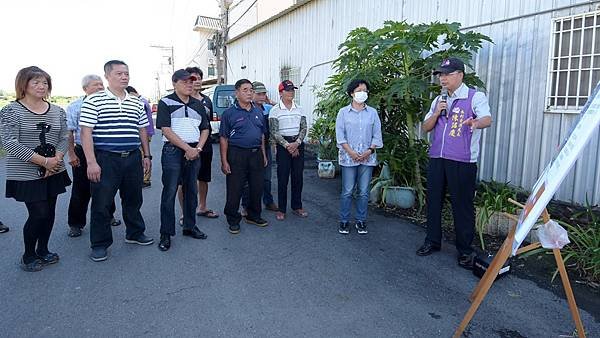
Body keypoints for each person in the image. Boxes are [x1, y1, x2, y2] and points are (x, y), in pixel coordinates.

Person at [416, 57, 492, 270]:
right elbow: (426, 126)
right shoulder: (437, 100)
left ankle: (465, 250)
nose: (442, 78)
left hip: (462, 160)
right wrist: (438, 111)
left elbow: (487, 119)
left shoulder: (474, 97)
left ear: (460, 75)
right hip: (437, 158)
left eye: (447, 74)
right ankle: (432, 241)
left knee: (462, 205)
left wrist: (475, 121)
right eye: (440, 74)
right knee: (434, 201)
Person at [80, 60, 154, 262]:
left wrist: (146, 155)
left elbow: (142, 130)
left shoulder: (136, 102)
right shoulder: (94, 101)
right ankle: (100, 244)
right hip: (106, 158)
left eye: (127, 73)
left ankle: (135, 233)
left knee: (133, 198)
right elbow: (86, 133)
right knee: (102, 202)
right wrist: (91, 162)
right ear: (107, 76)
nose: (124, 77)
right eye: (119, 73)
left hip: (132, 157)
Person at [0, 66, 71, 271]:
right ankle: (28, 255)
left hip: (54, 169)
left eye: (45, 83)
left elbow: (64, 136)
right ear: (24, 85)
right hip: (26, 173)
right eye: (36, 82)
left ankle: (43, 250)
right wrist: (43, 161)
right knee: (38, 212)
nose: (42, 86)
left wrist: (56, 159)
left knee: (49, 212)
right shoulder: (11, 111)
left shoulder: (57, 110)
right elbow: (9, 142)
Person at [155, 69, 210, 251]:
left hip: (195, 150)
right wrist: (187, 149)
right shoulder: (165, 102)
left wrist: (198, 149)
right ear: (174, 83)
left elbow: (205, 129)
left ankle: (189, 226)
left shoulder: (198, 104)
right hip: (173, 151)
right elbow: (166, 129)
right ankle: (166, 233)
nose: (189, 84)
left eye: (191, 81)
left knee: (191, 191)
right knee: (170, 192)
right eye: (185, 81)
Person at [66, 75, 122, 238]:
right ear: (85, 89)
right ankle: (76, 223)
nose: (100, 87)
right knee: (81, 189)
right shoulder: (75, 106)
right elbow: (69, 132)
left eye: (101, 84)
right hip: (82, 151)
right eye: (95, 85)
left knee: (107, 186)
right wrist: (71, 153)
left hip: (105, 151)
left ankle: (109, 216)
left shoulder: (110, 102)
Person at [220, 79, 268, 234]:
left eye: (251, 90)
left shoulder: (258, 111)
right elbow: (224, 138)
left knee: (257, 187)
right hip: (236, 154)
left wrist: (263, 154)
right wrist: (224, 160)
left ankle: (253, 215)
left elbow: (261, 135)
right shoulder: (229, 113)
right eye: (245, 90)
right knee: (235, 188)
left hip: (256, 155)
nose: (249, 93)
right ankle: (233, 219)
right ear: (237, 92)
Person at [335, 79, 383, 235]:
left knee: (363, 191)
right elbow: (340, 136)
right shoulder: (343, 112)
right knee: (347, 191)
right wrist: (351, 152)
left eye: (365, 90)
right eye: (359, 90)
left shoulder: (373, 113)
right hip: (349, 157)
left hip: (367, 157)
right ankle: (344, 220)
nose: (363, 93)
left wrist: (369, 151)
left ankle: (361, 220)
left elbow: (377, 135)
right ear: (351, 93)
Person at [178, 66, 219, 219]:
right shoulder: (181, 100)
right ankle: (185, 213)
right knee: (183, 181)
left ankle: (202, 207)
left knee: (203, 177)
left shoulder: (207, 100)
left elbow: (207, 124)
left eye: (199, 78)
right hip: (186, 146)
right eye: (192, 78)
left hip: (206, 145)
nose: (196, 81)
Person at [269, 80, 308, 221]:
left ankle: (297, 206)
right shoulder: (275, 111)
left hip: (297, 144)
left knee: (298, 177)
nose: (291, 92)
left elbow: (304, 127)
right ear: (281, 92)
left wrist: (297, 143)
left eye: (292, 90)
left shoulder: (300, 108)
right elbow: (274, 132)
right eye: (288, 90)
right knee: (283, 178)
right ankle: (282, 208)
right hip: (283, 146)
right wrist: (288, 146)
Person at [241, 81, 278, 215]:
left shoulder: (267, 109)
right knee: (247, 178)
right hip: (250, 148)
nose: (262, 96)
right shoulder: (247, 108)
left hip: (266, 147)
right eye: (259, 94)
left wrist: (270, 101)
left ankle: (268, 201)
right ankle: (246, 205)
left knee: (267, 177)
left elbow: (282, 107)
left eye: (264, 94)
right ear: (252, 94)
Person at [125, 85, 155, 188]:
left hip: (144, 132)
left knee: (144, 155)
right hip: (147, 131)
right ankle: (144, 178)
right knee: (142, 155)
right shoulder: (143, 100)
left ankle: (145, 179)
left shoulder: (140, 102)